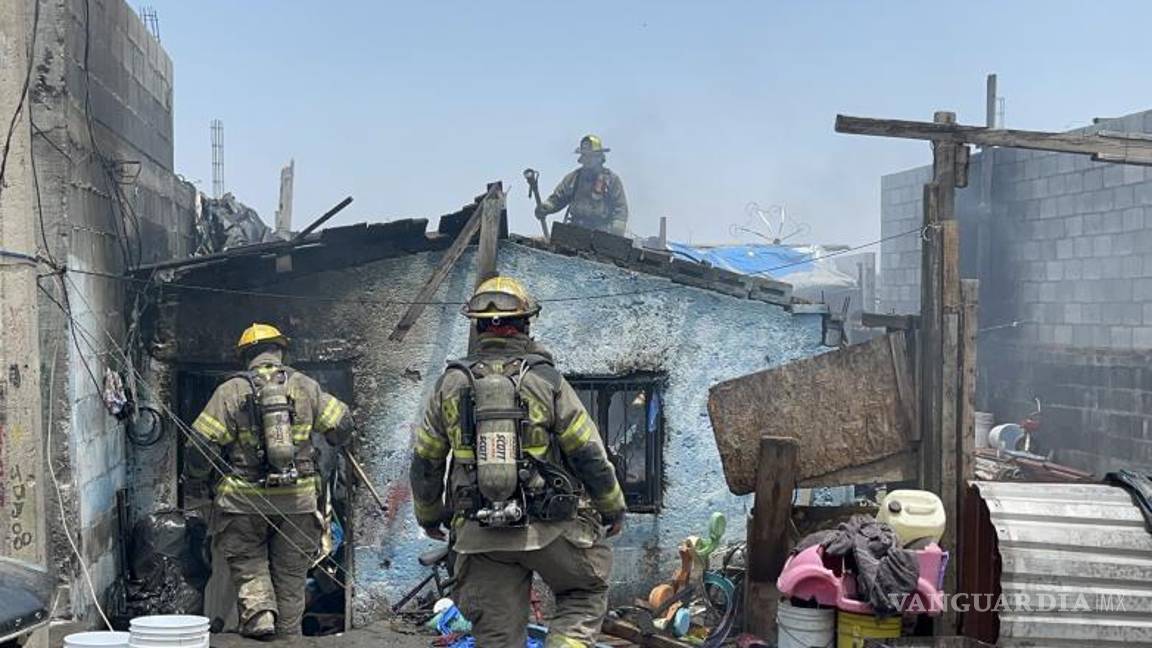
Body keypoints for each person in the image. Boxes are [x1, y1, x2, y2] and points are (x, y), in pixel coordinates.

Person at [409, 276, 626, 647]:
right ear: (526, 324)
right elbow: (588, 452)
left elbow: (426, 460)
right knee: (583, 593)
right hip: (549, 527)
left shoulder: (450, 384)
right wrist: (612, 507)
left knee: (496, 635)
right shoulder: (547, 380)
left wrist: (429, 515)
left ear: (476, 327)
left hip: (479, 535)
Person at [191, 323, 353, 640]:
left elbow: (199, 446)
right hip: (298, 500)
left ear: (245, 357)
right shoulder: (305, 385)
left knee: (249, 561)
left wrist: (196, 481)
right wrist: (333, 438)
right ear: (280, 351)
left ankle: (261, 615)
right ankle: (289, 634)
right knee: (291, 574)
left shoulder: (229, 391)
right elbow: (342, 424)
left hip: (243, 501)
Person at [536, 135, 629, 236]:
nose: (587, 159)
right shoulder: (574, 178)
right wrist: (546, 207)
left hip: (599, 234)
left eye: (591, 155)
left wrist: (616, 233)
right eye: (585, 155)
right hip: (574, 229)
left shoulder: (611, 180)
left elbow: (620, 207)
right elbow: (558, 198)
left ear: (599, 157)